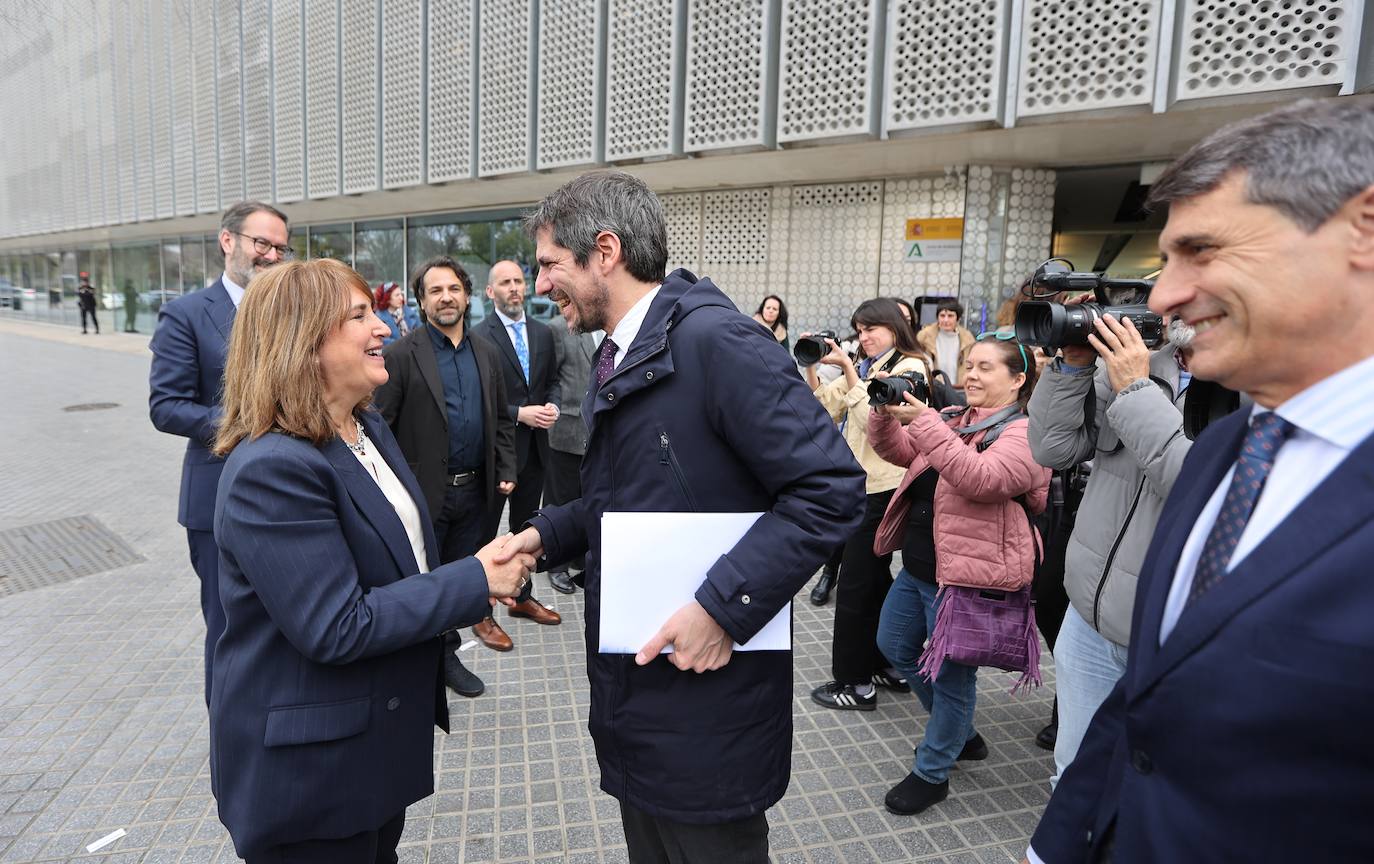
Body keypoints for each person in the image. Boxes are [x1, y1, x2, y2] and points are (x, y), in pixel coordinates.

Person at [1027, 98, 1374, 863]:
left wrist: (1134, 394)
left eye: (1204, 252)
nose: (1161, 299)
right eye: (1164, 263)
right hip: (1092, 617)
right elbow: (1142, 709)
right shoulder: (1242, 448)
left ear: (1363, 227)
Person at [497, 170, 865, 863]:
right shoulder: (625, 350)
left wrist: (722, 609)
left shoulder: (719, 345)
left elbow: (829, 490)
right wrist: (543, 536)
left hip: (707, 714)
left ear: (604, 252)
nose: (541, 284)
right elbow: (626, 499)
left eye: (549, 265)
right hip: (643, 702)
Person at [208, 258, 533, 862]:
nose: (384, 327)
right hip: (312, 779)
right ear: (302, 343)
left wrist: (477, 563)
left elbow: (401, 564)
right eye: (360, 316)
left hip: (371, 751)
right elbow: (336, 625)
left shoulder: (366, 429)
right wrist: (473, 581)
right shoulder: (272, 469)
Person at [869, 333, 1050, 815]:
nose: (971, 375)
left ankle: (933, 770)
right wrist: (883, 411)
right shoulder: (953, 419)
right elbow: (900, 452)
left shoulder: (1025, 433)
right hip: (920, 567)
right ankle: (961, 732)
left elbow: (983, 480)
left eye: (986, 367)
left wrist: (928, 424)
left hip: (969, 578)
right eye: (969, 365)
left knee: (951, 679)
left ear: (1017, 379)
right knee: (895, 647)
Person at [1027, 303, 1191, 786]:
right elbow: (1053, 450)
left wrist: (1136, 391)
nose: (1170, 295)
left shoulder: (1264, 392)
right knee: (1074, 774)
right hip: (1089, 617)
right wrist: (1074, 365)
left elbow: (1198, 489)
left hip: (1170, 634)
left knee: (1154, 789)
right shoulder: (1137, 362)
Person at [149, 200, 290, 702]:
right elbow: (166, 407)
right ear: (227, 241)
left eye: (279, 246)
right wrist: (248, 424)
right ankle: (228, 736)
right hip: (216, 502)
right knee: (228, 623)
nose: (272, 255)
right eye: (262, 243)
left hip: (288, 496)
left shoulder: (288, 310)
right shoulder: (185, 314)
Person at [373, 256, 519, 698]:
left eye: (453, 288)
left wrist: (507, 468)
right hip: (421, 495)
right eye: (435, 290)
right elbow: (378, 426)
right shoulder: (400, 355)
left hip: (476, 491)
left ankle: (448, 654)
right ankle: (423, 660)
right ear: (421, 301)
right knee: (423, 579)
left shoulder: (488, 353)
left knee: (460, 577)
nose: (446, 297)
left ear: (468, 295)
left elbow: (502, 420)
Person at [803, 298, 930, 710]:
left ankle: (855, 683)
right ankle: (885, 663)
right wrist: (814, 363)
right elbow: (824, 405)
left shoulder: (910, 367)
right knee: (874, 580)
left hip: (882, 487)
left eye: (871, 328)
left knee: (856, 585)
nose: (864, 337)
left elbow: (872, 424)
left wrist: (851, 372)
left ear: (894, 326)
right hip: (863, 486)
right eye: (859, 331)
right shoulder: (868, 365)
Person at [470, 260, 562, 649]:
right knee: (487, 532)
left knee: (527, 529)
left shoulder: (542, 334)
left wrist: (553, 406)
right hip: (497, 454)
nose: (514, 288)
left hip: (538, 450)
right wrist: (518, 413)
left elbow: (553, 380)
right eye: (504, 283)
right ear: (490, 292)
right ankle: (480, 612)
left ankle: (521, 599)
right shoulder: (478, 336)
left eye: (518, 281)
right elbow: (479, 399)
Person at [543, 294, 599, 595]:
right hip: (565, 429)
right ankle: (556, 565)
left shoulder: (609, 328)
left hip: (596, 431)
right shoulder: (556, 329)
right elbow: (550, 379)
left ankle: (578, 556)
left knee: (585, 494)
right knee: (559, 498)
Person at [917, 300, 975, 386]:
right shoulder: (924, 336)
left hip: (959, 387)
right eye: (942, 315)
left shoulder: (967, 338)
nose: (946, 320)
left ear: (958, 318)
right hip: (934, 386)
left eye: (950, 316)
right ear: (937, 317)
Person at [376, 281, 420, 346]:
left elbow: (421, 333)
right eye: (397, 295)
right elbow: (384, 342)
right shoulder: (379, 319)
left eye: (401, 294)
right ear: (387, 299)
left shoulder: (409, 312)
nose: (401, 298)